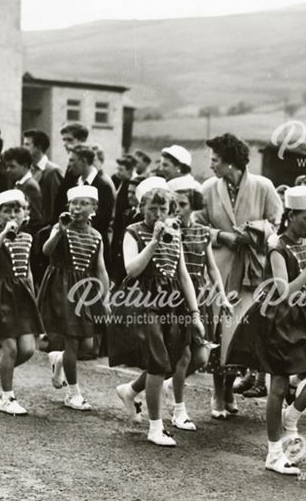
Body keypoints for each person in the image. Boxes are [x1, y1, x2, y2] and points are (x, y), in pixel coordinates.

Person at [231, 186, 306, 475]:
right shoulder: (277, 245)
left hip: (302, 316)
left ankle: (292, 416)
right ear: (291, 216)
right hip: (276, 318)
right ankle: (274, 452)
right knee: (276, 386)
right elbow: (283, 291)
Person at [191, 133, 282, 416]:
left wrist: (256, 231)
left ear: (232, 163)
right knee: (220, 330)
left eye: (216, 160)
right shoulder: (208, 188)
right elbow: (197, 225)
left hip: (252, 270)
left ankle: (230, 388)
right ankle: (218, 394)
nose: (212, 166)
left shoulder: (263, 186)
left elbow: (275, 221)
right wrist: (224, 237)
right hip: (220, 268)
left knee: (241, 331)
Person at [109, 178, 204, 447]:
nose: (158, 215)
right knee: (157, 362)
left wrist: (195, 314)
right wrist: (153, 242)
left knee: (177, 358)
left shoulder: (176, 232)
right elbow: (132, 270)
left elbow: (183, 275)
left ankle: (130, 390)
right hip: (144, 300)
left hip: (171, 301)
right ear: (142, 208)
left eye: (163, 210)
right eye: (152, 209)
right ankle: (155, 427)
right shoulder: (133, 232)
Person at [161, 175, 229, 430]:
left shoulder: (201, 232)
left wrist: (221, 294)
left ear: (194, 206)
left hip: (199, 296)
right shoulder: (168, 230)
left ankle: (156, 386)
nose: (177, 210)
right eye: (174, 205)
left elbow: (211, 267)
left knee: (201, 357)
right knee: (183, 354)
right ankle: (179, 410)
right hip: (173, 296)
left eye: (183, 205)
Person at [38, 186, 110, 411]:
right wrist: (59, 231)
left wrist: (105, 299)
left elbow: (100, 269)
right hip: (61, 287)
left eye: (83, 204)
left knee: (87, 344)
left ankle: (59, 360)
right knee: (72, 340)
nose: (77, 208)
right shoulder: (60, 229)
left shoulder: (96, 236)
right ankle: (73, 393)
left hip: (84, 291)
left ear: (94, 208)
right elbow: (46, 251)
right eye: (74, 204)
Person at [0, 190, 45, 416]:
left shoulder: (28, 237)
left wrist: (33, 296)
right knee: (11, 348)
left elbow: (28, 269)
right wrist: (4, 233)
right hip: (0, 295)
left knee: (27, 349)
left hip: (22, 296)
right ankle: (7, 397)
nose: (13, 215)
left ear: (26, 214)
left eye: (18, 210)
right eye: (7, 211)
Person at [23, 129, 64, 227]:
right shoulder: (28, 169)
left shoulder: (52, 171)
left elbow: (55, 205)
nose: (23, 148)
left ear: (39, 147)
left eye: (27, 144)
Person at [2, 146, 45, 234]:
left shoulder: (30, 186)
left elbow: (35, 219)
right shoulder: (17, 183)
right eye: (7, 166)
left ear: (25, 166)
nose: (8, 170)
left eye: (12, 166)